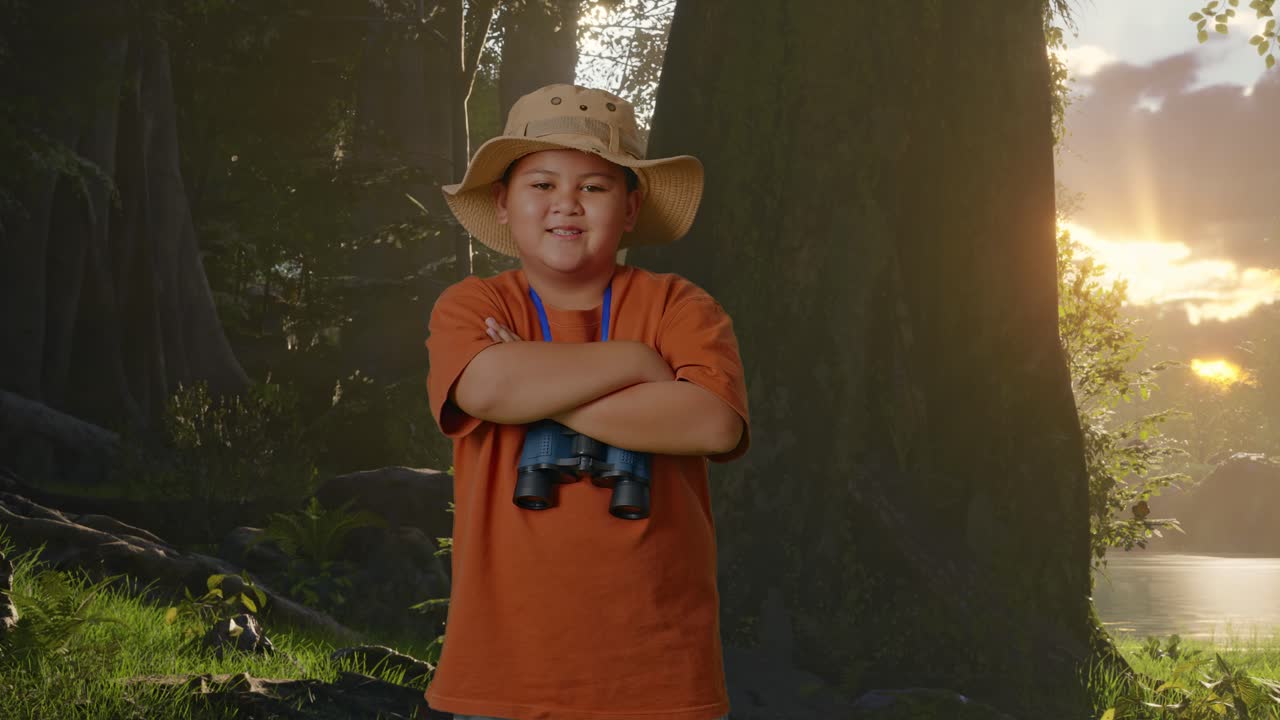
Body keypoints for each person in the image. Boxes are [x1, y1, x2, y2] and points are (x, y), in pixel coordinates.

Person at [423, 83, 750, 720]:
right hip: (503, 668)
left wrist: (536, 388)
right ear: (503, 203)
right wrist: (634, 364)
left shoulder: (679, 305)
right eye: (541, 185)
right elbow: (486, 387)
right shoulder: (475, 305)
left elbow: (711, 423)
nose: (566, 204)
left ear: (630, 209)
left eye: (594, 188)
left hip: (658, 671)